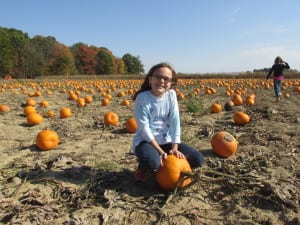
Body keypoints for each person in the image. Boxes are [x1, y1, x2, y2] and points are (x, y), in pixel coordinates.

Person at [132, 62, 205, 181]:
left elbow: (175, 121)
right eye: (158, 77)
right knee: (152, 162)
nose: (161, 81)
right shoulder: (142, 98)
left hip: (166, 140)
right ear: (150, 79)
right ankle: (143, 168)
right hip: (146, 141)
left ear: (171, 83)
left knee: (198, 160)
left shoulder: (171, 95)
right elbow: (144, 129)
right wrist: (160, 152)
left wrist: (174, 148)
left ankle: (167, 170)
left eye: (166, 79)